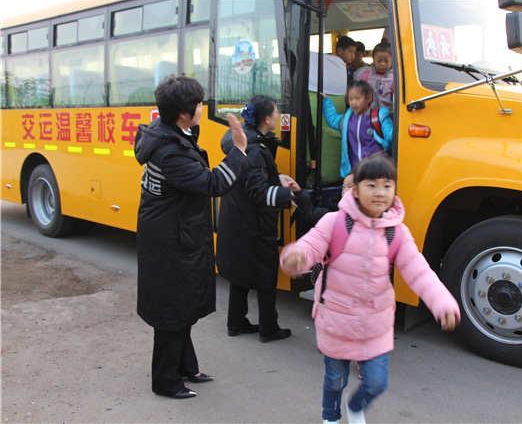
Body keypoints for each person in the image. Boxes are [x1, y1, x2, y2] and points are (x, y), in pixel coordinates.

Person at [280, 153, 460, 424]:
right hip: (337, 319)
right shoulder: (334, 222)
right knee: (335, 380)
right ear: (356, 190)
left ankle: (355, 407)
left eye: (387, 185)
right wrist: (295, 257)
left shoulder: (396, 232)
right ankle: (330, 417)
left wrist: (442, 302)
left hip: (376, 324)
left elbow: (419, 272)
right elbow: (309, 247)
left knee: (377, 382)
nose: (380, 192)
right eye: (371, 185)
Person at [134, 75, 249, 399]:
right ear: (184, 113)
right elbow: (213, 184)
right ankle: (165, 381)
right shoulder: (170, 151)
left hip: (177, 233)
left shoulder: (168, 133)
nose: (202, 108)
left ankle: (185, 367)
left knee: (181, 304)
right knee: (171, 309)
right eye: (198, 104)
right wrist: (239, 150)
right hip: (170, 241)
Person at [217, 95, 299, 343]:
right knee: (265, 275)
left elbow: (253, 180)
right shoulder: (255, 149)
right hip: (253, 224)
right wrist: (288, 196)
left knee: (240, 274)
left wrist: (278, 179)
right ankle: (268, 329)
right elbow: (258, 191)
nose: (278, 115)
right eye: (275, 112)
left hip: (238, 220)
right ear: (266, 119)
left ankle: (236, 322)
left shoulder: (247, 142)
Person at [323, 80, 393, 178]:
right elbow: (333, 120)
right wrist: (326, 101)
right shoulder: (347, 119)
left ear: (368, 98)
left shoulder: (378, 117)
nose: (353, 102)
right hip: (355, 172)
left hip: (376, 171)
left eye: (357, 98)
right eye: (350, 99)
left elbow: (392, 136)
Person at [355, 41, 394, 113]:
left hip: (388, 114)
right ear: (373, 60)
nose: (382, 64)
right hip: (369, 114)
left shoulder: (395, 79)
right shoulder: (365, 75)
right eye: (379, 61)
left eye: (386, 61)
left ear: (392, 60)